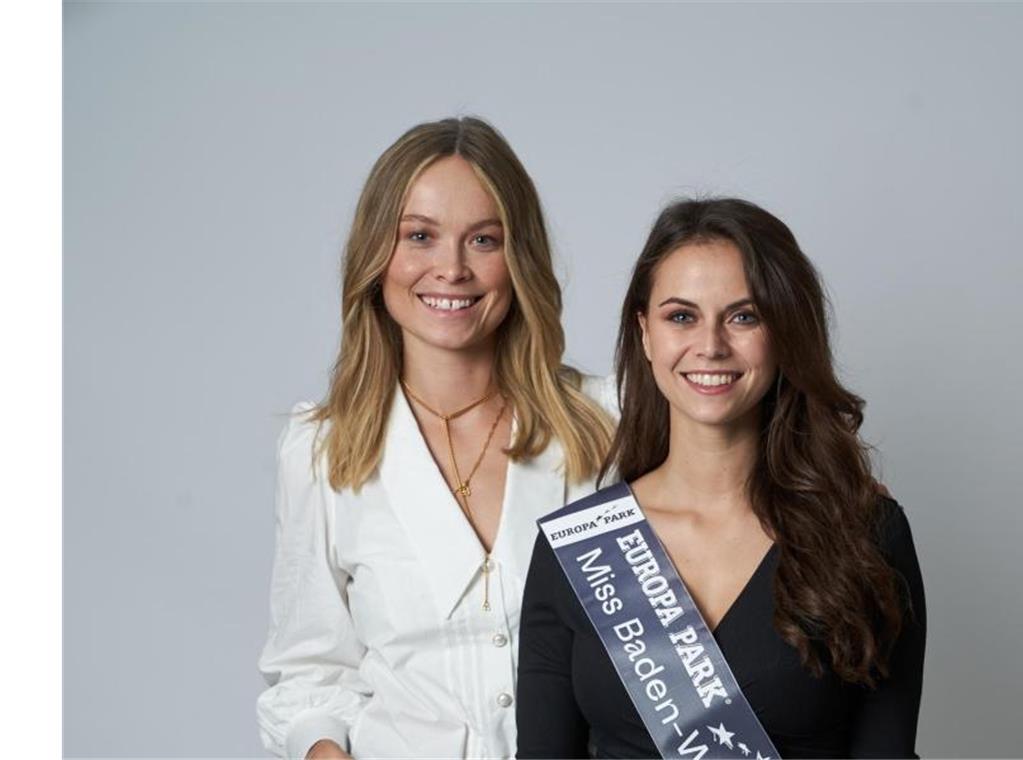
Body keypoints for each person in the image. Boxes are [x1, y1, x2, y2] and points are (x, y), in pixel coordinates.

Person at [256, 117, 617, 760]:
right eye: (419, 236)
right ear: (376, 256)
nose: (450, 269)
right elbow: (308, 674)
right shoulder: (322, 451)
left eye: (483, 239)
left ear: (519, 257)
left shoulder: (607, 420)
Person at [516, 198, 926, 759]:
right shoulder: (580, 547)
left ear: (784, 331)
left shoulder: (865, 534)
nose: (710, 345)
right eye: (681, 316)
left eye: (744, 316)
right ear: (645, 333)